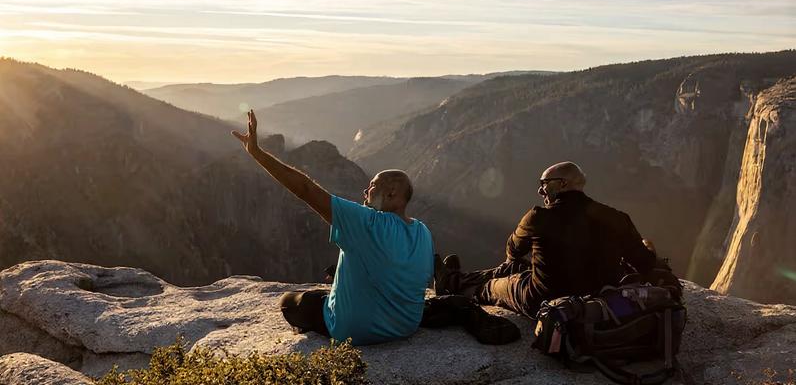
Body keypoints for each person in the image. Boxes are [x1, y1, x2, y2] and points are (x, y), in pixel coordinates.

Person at [232, 110, 433, 345]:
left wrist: (257, 153)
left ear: (391, 193)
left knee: (290, 302)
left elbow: (306, 189)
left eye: (372, 186)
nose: (365, 192)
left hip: (353, 330)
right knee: (327, 293)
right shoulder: (423, 232)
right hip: (406, 326)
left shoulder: (367, 222)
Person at [435, 161, 656, 318]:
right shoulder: (617, 218)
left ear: (562, 184)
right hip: (597, 298)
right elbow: (645, 263)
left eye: (544, 183)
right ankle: (455, 279)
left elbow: (513, 249)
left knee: (493, 286)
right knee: (520, 268)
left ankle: (454, 285)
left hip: (542, 299)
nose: (541, 190)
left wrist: (513, 265)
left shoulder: (538, 217)